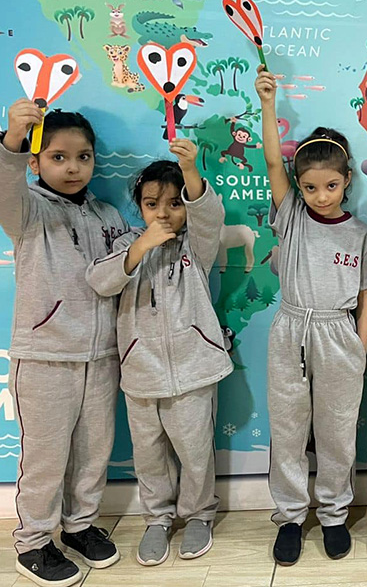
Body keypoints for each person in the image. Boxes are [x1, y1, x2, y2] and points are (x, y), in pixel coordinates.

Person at [0, 101, 125, 587]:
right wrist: (11, 142)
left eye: (83, 157)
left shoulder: (108, 215)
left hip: (102, 356)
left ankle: (80, 525)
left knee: (93, 450)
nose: (72, 167)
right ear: (36, 162)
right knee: (45, 455)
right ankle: (34, 541)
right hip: (44, 357)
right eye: (59, 157)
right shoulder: (28, 209)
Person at [255, 67, 367, 565]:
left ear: (347, 181)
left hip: (340, 335)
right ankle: (289, 516)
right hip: (291, 329)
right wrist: (268, 103)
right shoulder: (291, 216)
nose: (320, 195)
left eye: (330, 185)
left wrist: (360, 345)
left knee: (336, 429)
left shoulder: (361, 234)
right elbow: (271, 162)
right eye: (309, 187)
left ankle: (333, 513)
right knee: (288, 429)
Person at [86, 140, 230, 566]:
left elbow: (210, 216)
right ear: (139, 207)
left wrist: (190, 171)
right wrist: (139, 248)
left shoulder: (196, 247)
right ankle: (156, 519)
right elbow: (99, 281)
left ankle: (200, 514)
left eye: (174, 204)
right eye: (152, 204)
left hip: (193, 370)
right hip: (140, 373)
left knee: (194, 449)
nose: (163, 213)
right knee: (149, 453)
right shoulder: (129, 243)